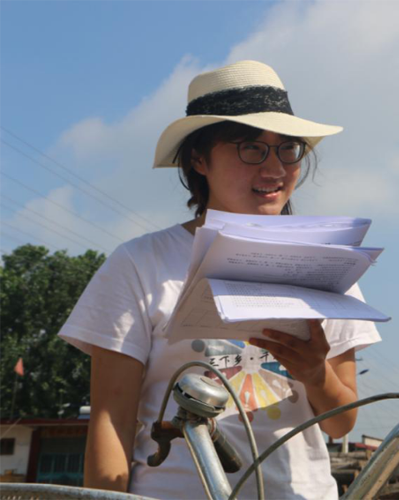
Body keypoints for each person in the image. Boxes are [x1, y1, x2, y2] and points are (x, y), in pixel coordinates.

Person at [58, 61, 381, 499]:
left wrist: (315, 373)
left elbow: (341, 422)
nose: (274, 168)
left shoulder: (325, 264)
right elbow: (110, 421)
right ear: (198, 158)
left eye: (288, 149)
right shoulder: (139, 263)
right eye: (250, 148)